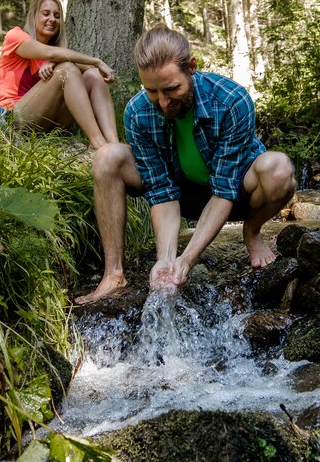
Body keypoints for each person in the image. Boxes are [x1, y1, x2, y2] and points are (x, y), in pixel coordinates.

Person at [76, 25, 296, 304]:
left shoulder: (232, 100)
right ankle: (113, 275)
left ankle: (251, 232)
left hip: (236, 194)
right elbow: (162, 192)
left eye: (171, 89)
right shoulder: (137, 112)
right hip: (182, 195)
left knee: (279, 169)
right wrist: (167, 261)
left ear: (191, 67)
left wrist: (187, 260)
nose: (163, 102)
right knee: (108, 157)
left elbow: (224, 191)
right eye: (152, 91)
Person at [0, 0, 119, 149]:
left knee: (93, 75)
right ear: (33, 16)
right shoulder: (15, 36)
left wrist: (55, 63)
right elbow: (49, 53)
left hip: (49, 125)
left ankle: (114, 143)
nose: (52, 19)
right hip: (15, 119)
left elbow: (91, 70)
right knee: (66, 70)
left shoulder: (56, 56)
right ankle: (98, 143)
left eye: (57, 16)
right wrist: (97, 61)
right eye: (46, 13)